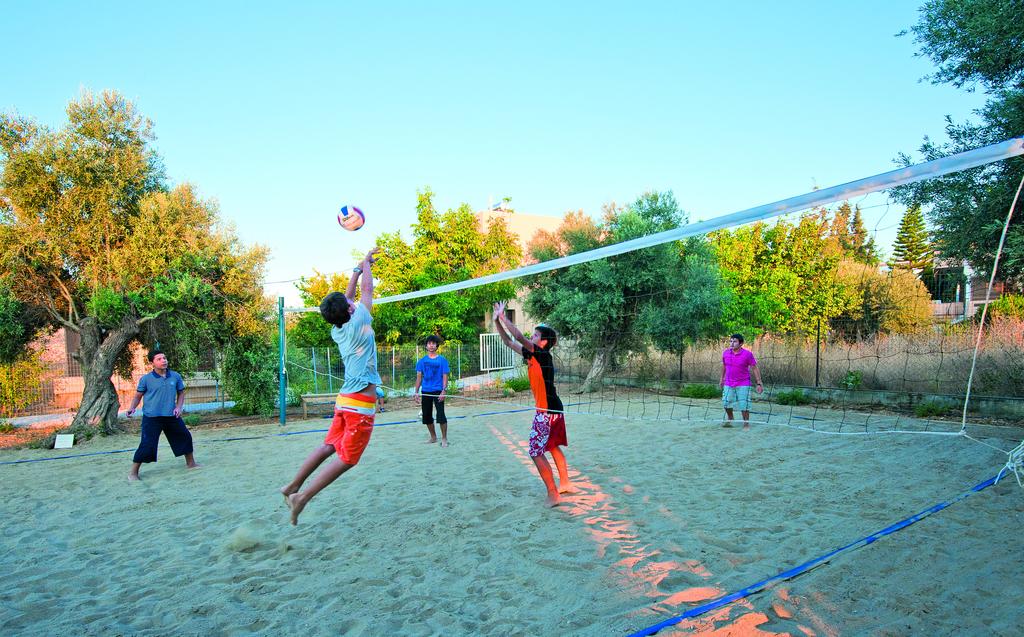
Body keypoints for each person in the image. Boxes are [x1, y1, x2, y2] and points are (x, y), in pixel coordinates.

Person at [280, 247, 382, 525]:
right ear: (349, 310)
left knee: (328, 446)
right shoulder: (359, 320)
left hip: (344, 399)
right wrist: (366, 263)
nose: (352, 303)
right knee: (348, 459)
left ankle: (292, 485)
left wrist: (357, 271)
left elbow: (348, 299)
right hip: (359, 403)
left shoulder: (337, 330)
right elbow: (367, 292)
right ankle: (301, 497)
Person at [492, 301, 573, 507]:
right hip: (552, 408)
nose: (532, 337)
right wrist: (497, 322)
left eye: (536, 335)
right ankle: (565, 483)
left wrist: (503, 316)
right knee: (552, 446)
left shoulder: (542, 354)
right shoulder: (532, 354)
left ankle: (553, 494)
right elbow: (509, 342)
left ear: (544, 342)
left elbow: (519, 337)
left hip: (547, 411)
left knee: (536, 452)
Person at [126, 350, 199, 481]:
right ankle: (133, 473)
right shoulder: (146, 379)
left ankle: (191, 464)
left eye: (164, 358)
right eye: (159, 359)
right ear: (152, 363)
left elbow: (181, 393)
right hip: (152, 417)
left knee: (185, 436)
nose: (163, 360)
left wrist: (178, 407)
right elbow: (138, 396)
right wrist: (132, 408)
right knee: (147, 444)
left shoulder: (175, 376)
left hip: (171, 416)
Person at [413, 335, 450, 447]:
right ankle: (433, 437)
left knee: (441, 415)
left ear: (436, 346)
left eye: (433, 343)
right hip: (426, 391)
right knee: (427, 416)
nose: (431, 345)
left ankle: (444, 438)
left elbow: (445, 376)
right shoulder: (421, 361)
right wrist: (416, 392)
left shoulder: (442, 360)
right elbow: (419, 377)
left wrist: (444, 391)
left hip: (438, 391)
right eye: (429, 343)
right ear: (426, 346)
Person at [720, 333, 763, 429]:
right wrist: (721, 379)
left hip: (743, 383)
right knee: (726, 402)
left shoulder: (747, 354)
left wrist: (759, 383)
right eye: (731, 341)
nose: (732, 343)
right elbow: (724, 366)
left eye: (734, 341)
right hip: (728, 382)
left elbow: (754, 368)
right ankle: (730, 418)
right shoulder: (726, 353)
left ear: (741, 343)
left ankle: (746, 423)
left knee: (744, 404)